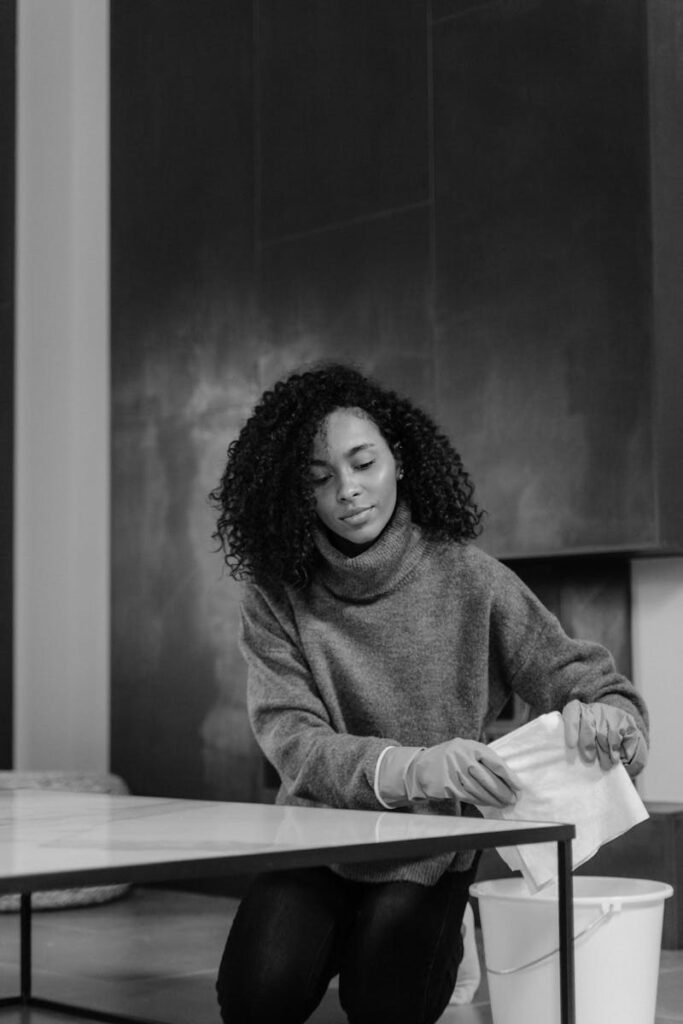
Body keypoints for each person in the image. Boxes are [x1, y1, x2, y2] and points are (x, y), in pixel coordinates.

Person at [209, 361, 648, 1024]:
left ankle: (445, 933)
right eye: (319, 479)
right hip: (318, 837)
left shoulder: (473, 580)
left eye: (363, 464)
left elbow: (582, 678)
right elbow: (295, 744)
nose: (348, 492)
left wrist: (609, 719)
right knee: (254, 998)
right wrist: (414, 767)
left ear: (400, 462)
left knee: (383, 1006)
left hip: (428, 851)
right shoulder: (275, 595)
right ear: (293, 494)